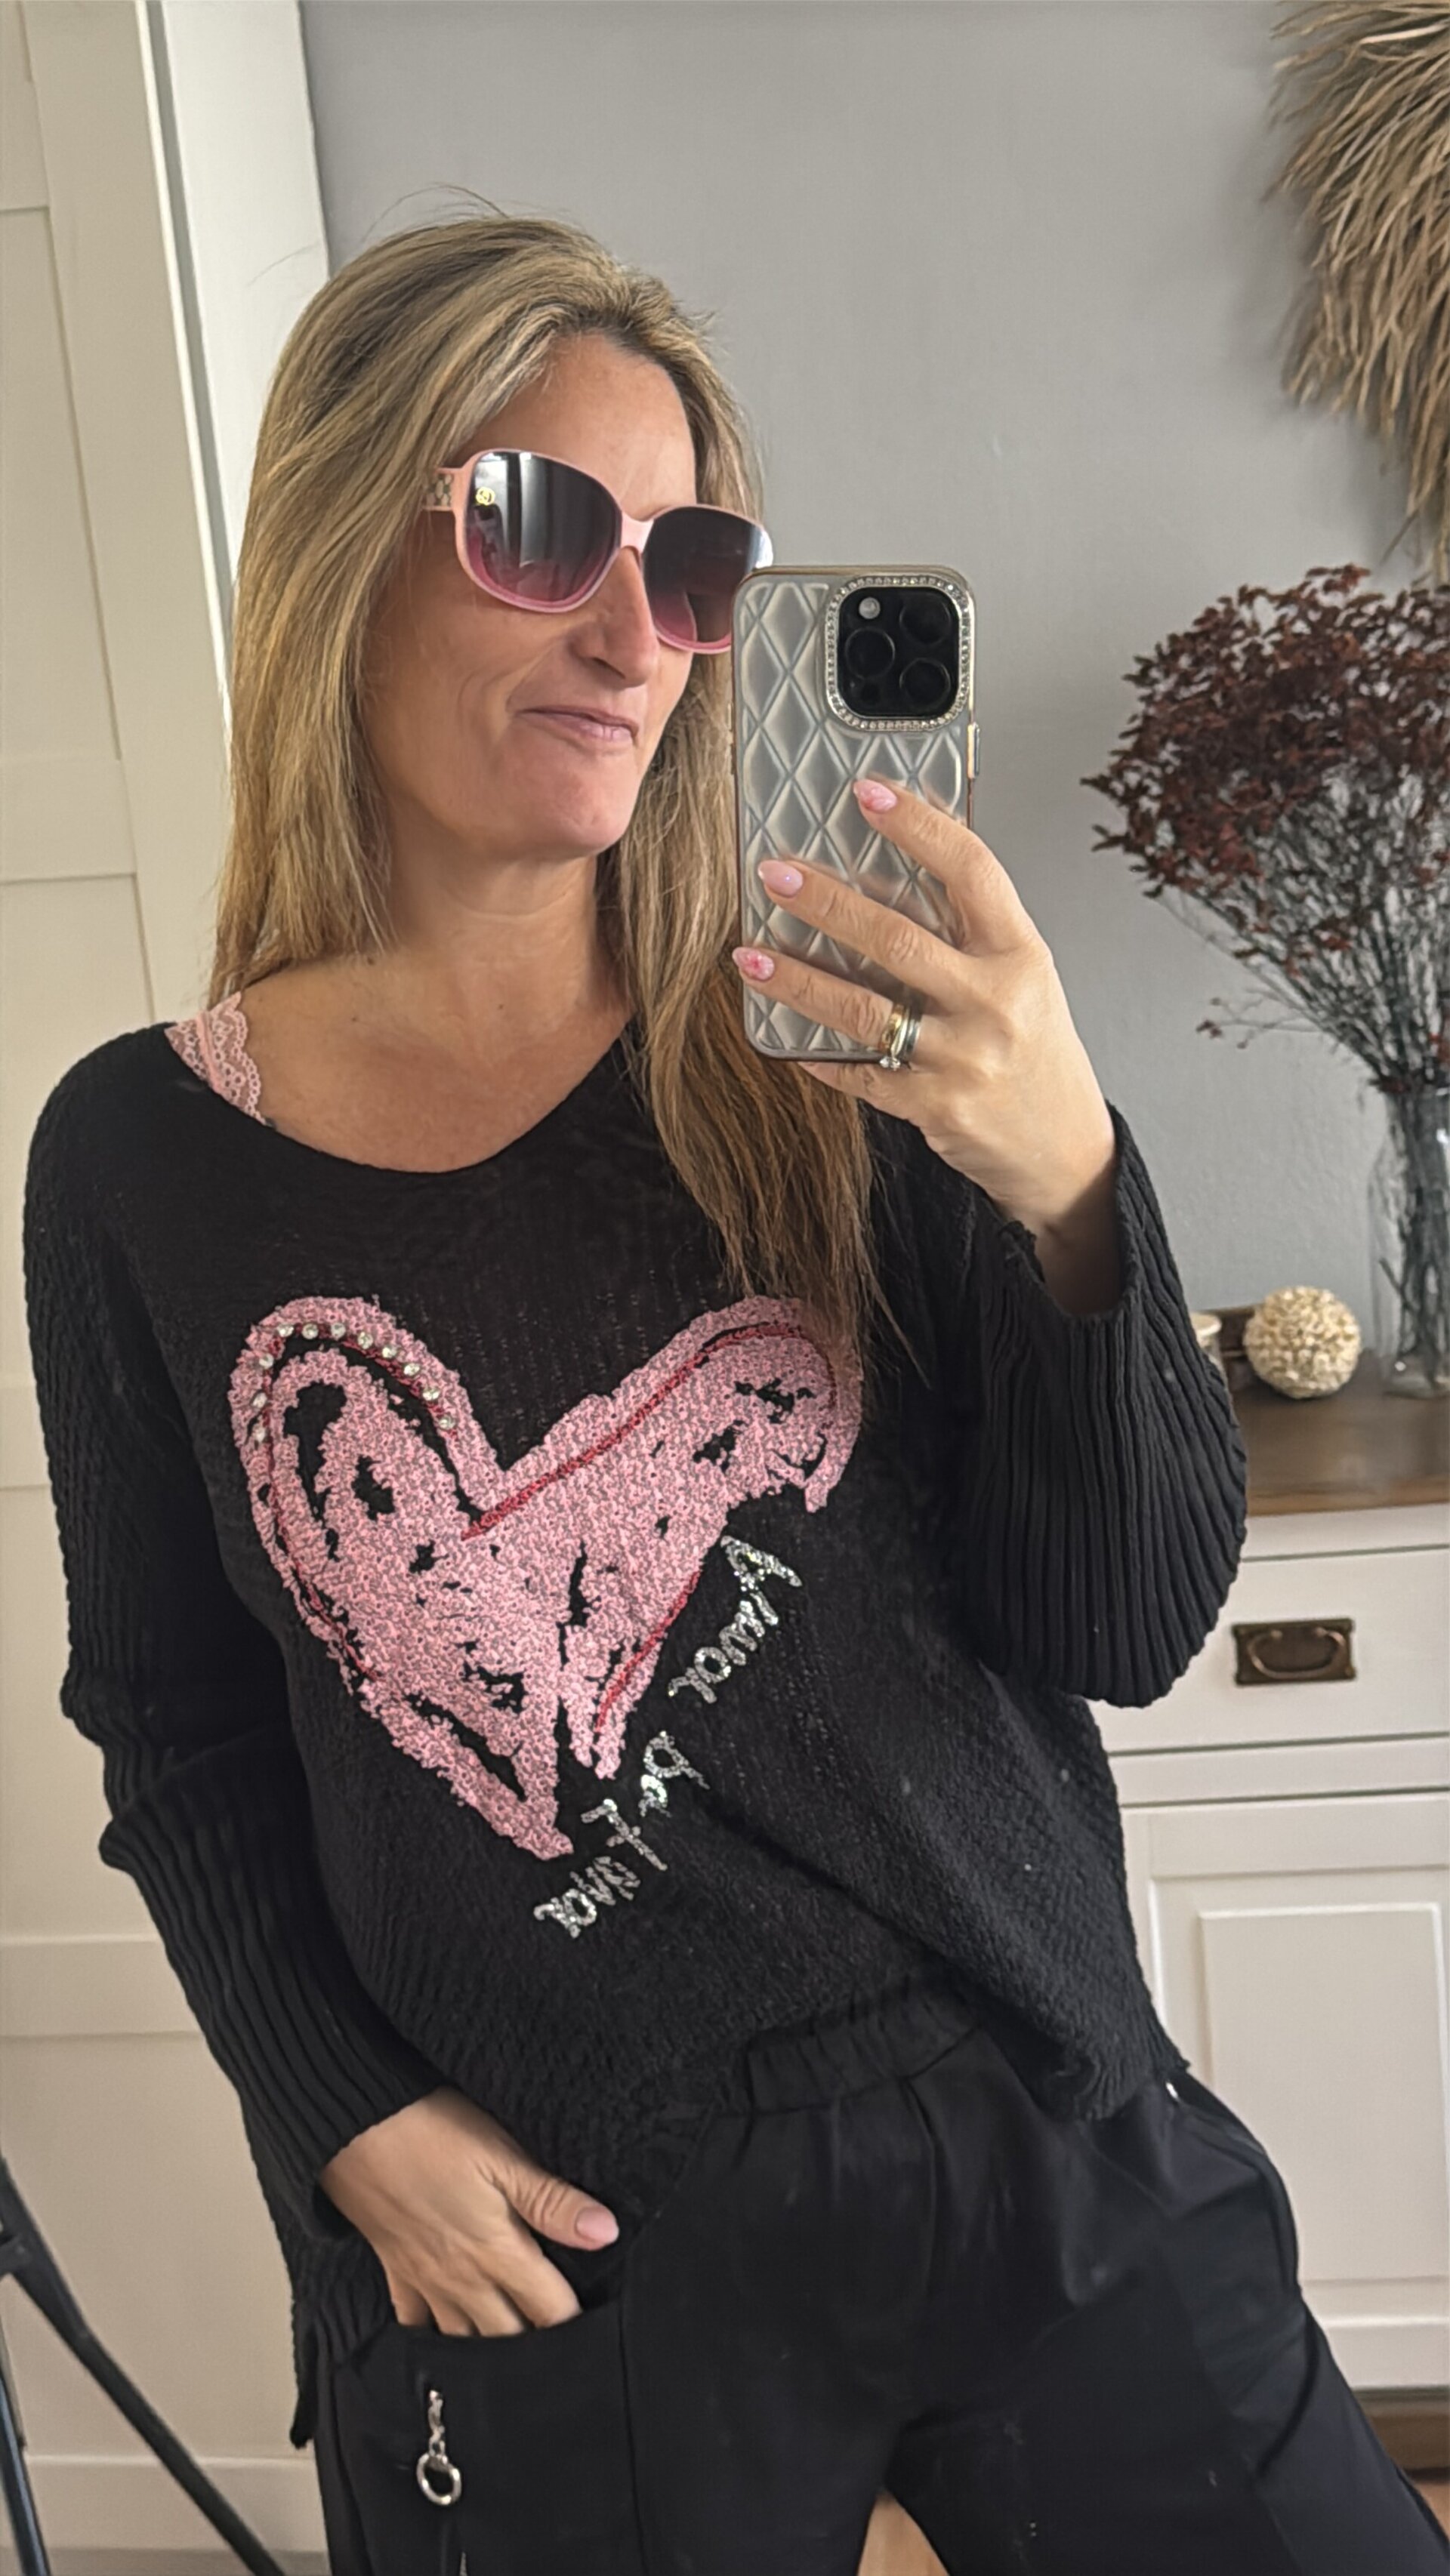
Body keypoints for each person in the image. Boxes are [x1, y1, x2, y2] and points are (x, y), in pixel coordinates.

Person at [21, 211, 1445, 2576]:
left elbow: (1116, 1618)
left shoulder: (834, 1050)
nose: (633, 634)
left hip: (1023, 2112)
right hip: (568, 2230)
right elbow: (175, 1727)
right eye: (536, 525)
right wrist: (338, 2111)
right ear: (343, 540)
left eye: (691, 567)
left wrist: (1070, 1186)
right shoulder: (140, 1164)